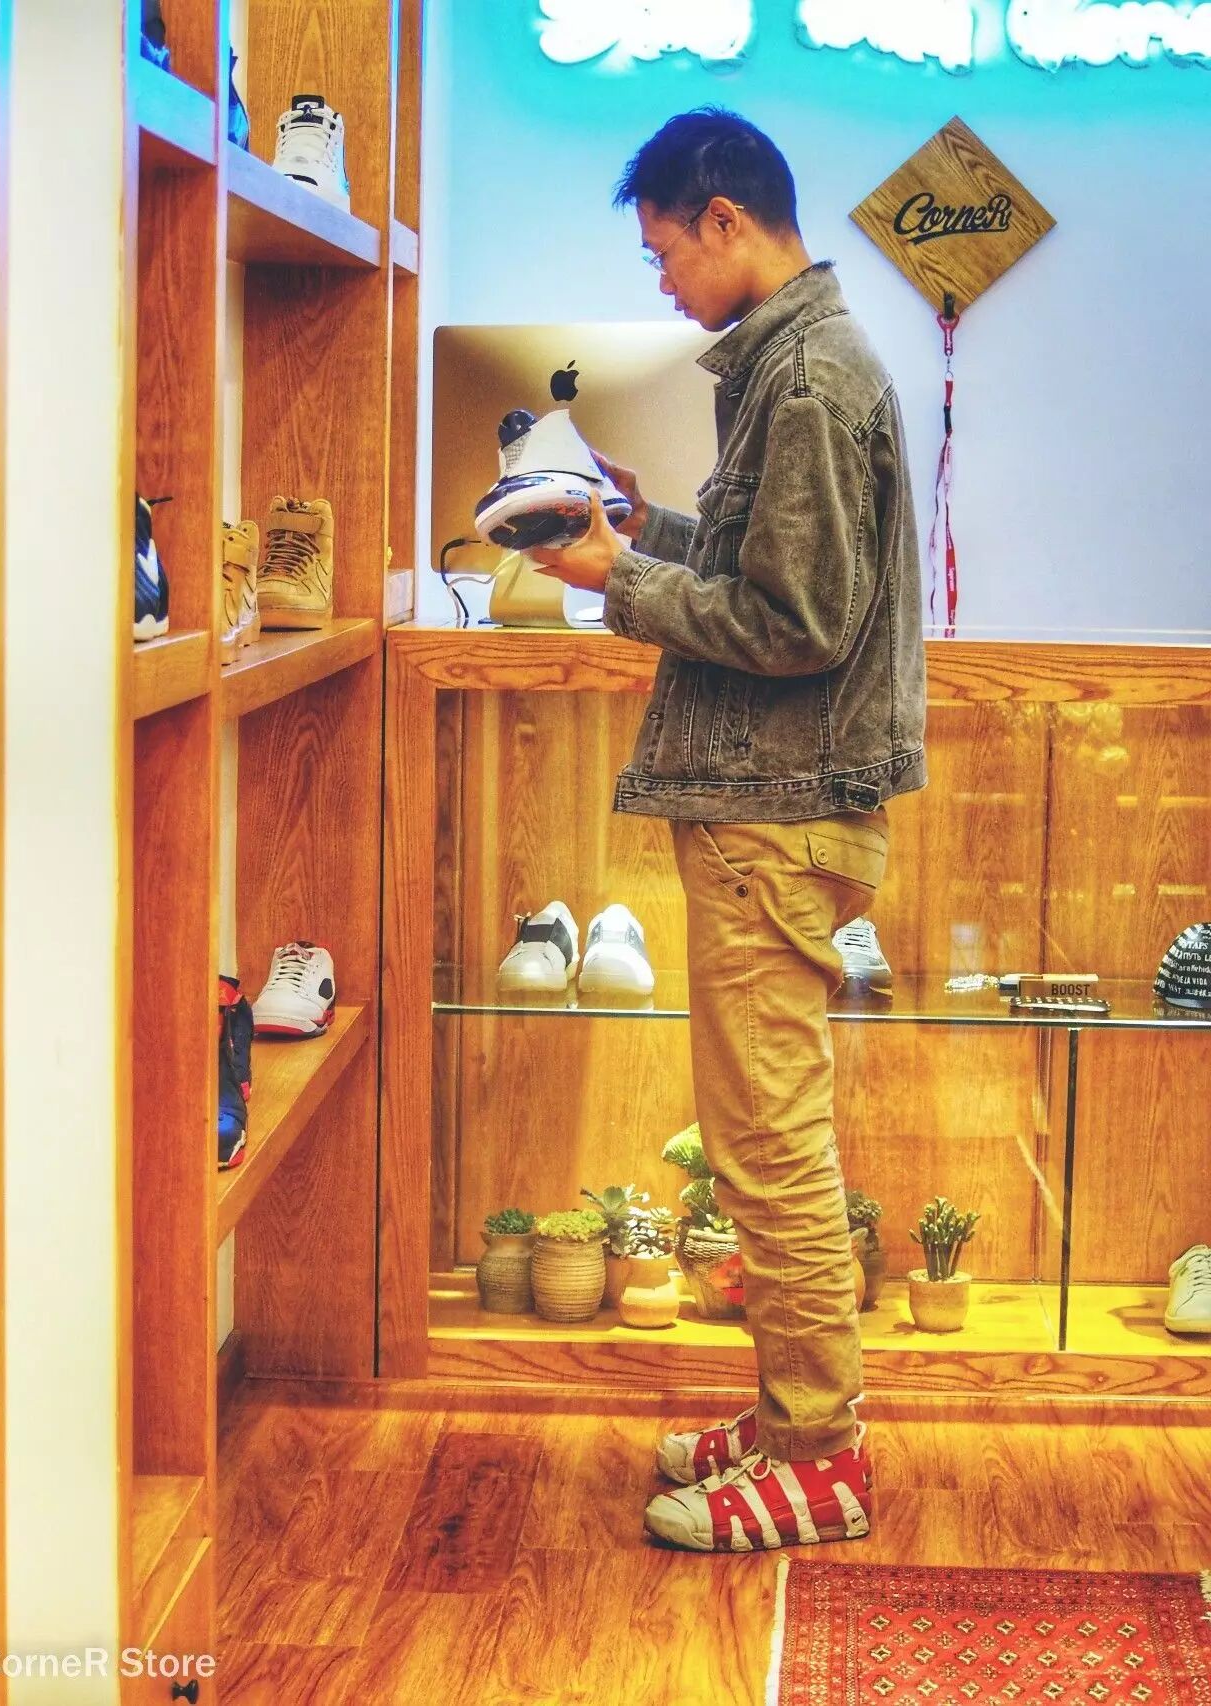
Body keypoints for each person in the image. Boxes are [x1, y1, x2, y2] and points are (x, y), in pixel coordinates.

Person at [531, 108, 927, 1554]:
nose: (659, 280)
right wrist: (648, 533)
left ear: (723, 216)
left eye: (661, 251)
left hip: (779, 815)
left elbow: (799, 622)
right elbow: (780, 572)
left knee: (770, 1146)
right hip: (776, 811)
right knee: (766, 1139)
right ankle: (787, 1419)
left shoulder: (808, 376)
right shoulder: (799, 363)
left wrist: (616, 579)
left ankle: (821, 1456)